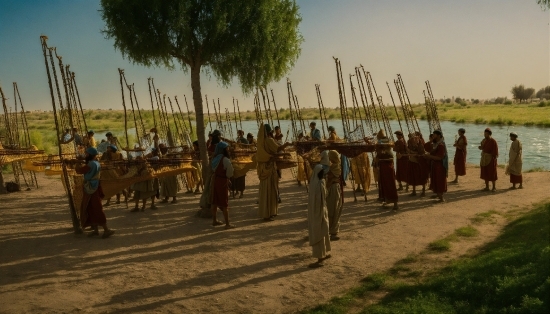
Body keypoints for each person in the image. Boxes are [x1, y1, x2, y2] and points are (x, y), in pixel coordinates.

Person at [75, 147, 115, 239]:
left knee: (96, 208)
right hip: (93, 186)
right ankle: (96, 230)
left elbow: (79, 171)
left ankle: (106, 230)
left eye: (86, 154)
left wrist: (77, 162)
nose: (85, 155)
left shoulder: (91, 164)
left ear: (89, 155)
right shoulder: (96, 163)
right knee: (90, 207)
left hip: (91, 188)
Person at [256, 124, 291, 221]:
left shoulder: (261, 141)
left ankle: (268, 212)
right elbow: (277, 149)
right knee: (270, 190)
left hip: (264, 168)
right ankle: (268, 213)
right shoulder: (269, 140)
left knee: (266, 190)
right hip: (269, 168)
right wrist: (286, 144)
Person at [307, 163, 331, 268]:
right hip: (320, 210)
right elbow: (324, 196)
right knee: (321, 232)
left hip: (314, 211)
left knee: (319, 231)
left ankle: (322, 255)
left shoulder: (312, 183)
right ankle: (320, 257)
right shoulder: (321, 183)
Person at [210, 142, 235, 229]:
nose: (228, 150)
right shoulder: (225, 160)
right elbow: (230, 172)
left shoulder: (214, 159)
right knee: (224, 203)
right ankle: (227, 224)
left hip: (215, 181)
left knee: (215, 201)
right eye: (227, 149)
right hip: (222, 181)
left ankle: (214, 220)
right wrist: (228, 178)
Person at [374, 130, 398, 210]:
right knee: (383, 184)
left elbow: (390, 157)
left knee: (390, 184)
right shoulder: (380, 149)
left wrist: (380, 161)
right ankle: (386, 200)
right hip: (382, 167)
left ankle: (395, 203)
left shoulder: (387, 149)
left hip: (388, 168)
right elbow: (377, 155)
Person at [424, 130, 448, 202]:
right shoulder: (436, 143)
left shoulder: (441, 145)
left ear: (438, 135)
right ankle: (438, 194)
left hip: (439, 166)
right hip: (435, 165)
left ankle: (441, 197)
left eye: (434, 135)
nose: (433, 136)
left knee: (439, 180)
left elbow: (440, 157)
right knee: (435, 179)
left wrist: (429, 156)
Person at [326, 150, 343, 241]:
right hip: (331, 188)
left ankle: (333, 231)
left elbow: (330, 177)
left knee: (334, 209)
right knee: (331, 209)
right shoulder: (331, 166)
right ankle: (330, 229)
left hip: (334, 188)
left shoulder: (335, 166)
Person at [479, 128, 498, 192]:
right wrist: (481, 148)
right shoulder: (484, 140)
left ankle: (494, 187)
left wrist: (493, 158)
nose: (485, 135)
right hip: (484, 158)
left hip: (490, 158)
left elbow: (495, 151)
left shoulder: (493, 141)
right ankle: (487, 187)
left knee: (492, 173)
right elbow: (483, 147)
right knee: (485, 172)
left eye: (486, 134)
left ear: (489, 134)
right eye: (484, 134)